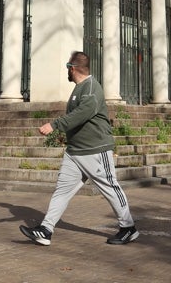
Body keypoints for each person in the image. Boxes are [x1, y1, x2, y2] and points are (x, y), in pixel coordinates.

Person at [19, 51, 139, 246]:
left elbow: (83, 113)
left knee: (110, 187)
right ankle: (46, 230)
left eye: (67, 68)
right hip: (75, 152)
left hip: (96, 150)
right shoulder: (80, 88)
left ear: (72, 68)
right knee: (62, 191)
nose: (67, 72)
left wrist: (55, 125)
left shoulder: (92, 87)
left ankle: (128, 228)